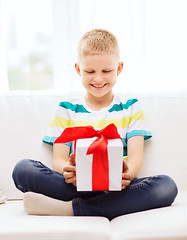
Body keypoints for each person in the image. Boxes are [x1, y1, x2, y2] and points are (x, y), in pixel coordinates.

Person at [12, 29, 178, 220]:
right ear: (78, 69)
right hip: (77, 185)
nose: (98, 79)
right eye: (89, 71)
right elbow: (59, 160)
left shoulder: (131, 108)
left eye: (106, 71)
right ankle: (103, 204)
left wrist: (128, 175)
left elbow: (135, 156)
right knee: (23, 169)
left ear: (119, 68)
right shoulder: (67, 109)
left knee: (167, 186)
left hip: (118, 187)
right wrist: (68, 171)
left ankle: (71, 208)